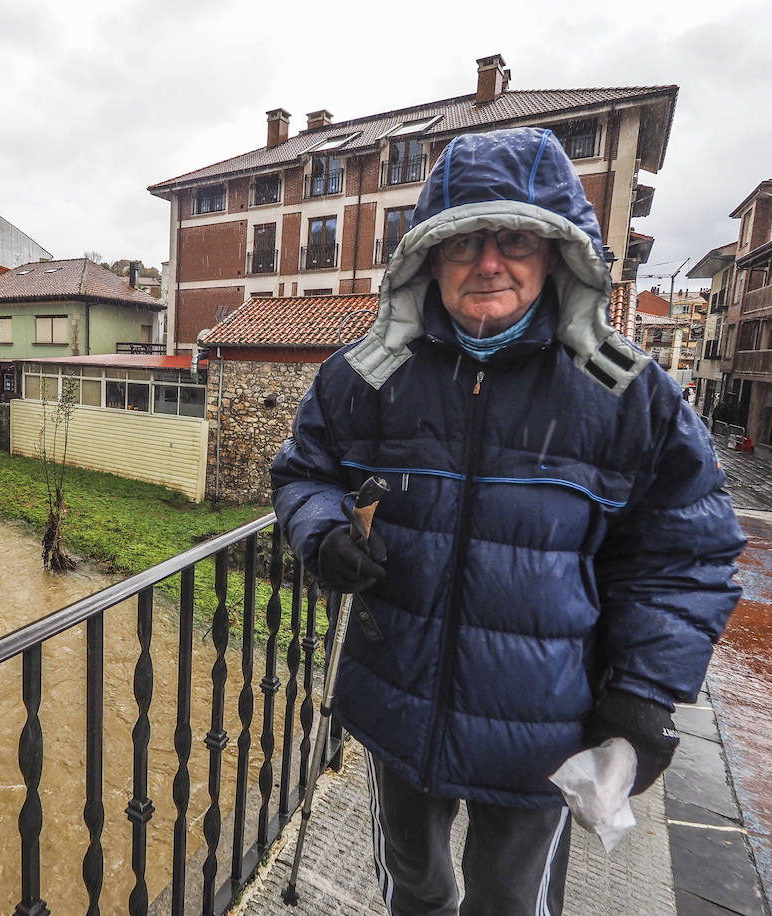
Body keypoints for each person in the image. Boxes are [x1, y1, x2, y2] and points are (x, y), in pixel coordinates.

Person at [269, 127, 745, 915]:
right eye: (463, 243)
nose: (489, 262)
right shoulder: (365, 376)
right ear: (429, 260)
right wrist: (320, 531)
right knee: (414, 890)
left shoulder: (627, 395)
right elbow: (304, 471)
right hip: (397, 698)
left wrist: (644, 692)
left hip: (545, 724)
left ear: (556, 254)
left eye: (516, 238)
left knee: (511, 903)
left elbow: (686, 554)